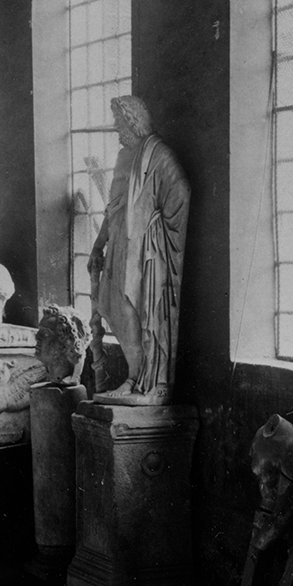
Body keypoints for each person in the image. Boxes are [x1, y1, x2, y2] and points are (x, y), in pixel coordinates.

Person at [88, 96, 190, 403]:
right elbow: (113, 208)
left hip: (145, 250)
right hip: (120, 244)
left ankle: (144, 380)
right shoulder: (124, 157)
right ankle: (134, 376)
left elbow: (180, 193)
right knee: (116, 307)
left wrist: (156, 226)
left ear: (132, 122)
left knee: (134, 307)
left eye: (119, 122)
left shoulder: (158, 154)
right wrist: (98, 243)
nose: (116, 128)